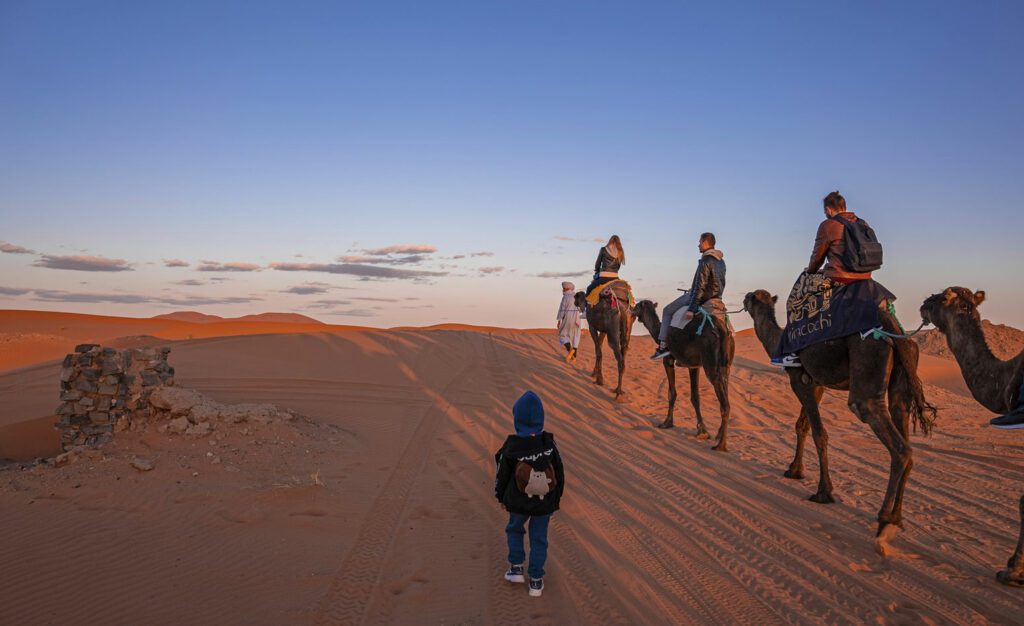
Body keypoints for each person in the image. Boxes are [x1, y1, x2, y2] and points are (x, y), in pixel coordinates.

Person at [773, 191, 877, 367]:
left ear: (828, 209)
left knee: (795, 299)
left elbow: (817, 258)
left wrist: (810, 271)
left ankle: (791, 352)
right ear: (844, 207)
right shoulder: (863, 223)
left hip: (839, 277)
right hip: (865, 277)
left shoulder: (828, 225)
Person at [494, 391, 565, 598]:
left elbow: (502, 474)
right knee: (539, 538)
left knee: (515, 529)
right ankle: (535, 580)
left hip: (518, 501)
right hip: (544, 503)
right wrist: (556, 499)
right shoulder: (549, 444)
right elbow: (559, 472)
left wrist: (501, 497)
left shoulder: (512, 445)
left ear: (517, 419)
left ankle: (516, 569)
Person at [651, 232, 726, 360]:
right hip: (716, 298)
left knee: (667, 310)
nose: (698, 245)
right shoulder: (721, 262)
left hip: (700, 297)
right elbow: (721, 283)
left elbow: (700, 286)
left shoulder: (705, 260)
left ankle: (663, 347)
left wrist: (692, 308)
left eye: (700, 242)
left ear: (705, 242)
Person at [583, 235, 625, 303]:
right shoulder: (620, 251)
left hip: (603, 276)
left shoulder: (604, 249)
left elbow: (598, 263)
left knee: (589, 288)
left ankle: (587, 307)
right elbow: (618, 266)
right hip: (615, 277)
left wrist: (597, 271)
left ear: (610, 241)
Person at [556, 281, 582, 362]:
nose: (562, 290)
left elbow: (562, 309)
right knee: (576, 336)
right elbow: (581, 309)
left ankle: (570, 350)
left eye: (563, 288)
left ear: (566, 289)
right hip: (577, 318)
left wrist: (559, 320)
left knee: (563, 335)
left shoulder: (565, 297)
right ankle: (574, 357)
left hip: (568, 317)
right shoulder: (578, 296)